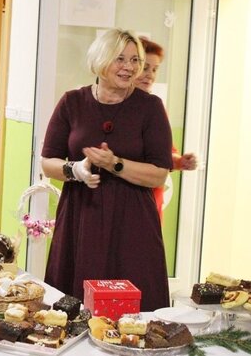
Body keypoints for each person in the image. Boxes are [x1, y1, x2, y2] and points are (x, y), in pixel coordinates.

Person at [41, 28, 173, 312]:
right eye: (120, 59)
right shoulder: (72, 102)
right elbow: (48, 162)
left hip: (133, 220)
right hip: (81, 215)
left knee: (134, 306)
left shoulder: (150, 108)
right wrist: (76, 170)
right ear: (100, 59)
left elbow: (159, 173)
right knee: (73, 306)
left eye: (135, 60)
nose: (129, 67)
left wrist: (115, 164)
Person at [135, 37, 197, 221]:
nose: (150, 75)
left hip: (148, 206)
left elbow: (165, 154)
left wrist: (180, 161)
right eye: (145, 67)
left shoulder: (156, 108)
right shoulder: (109, 105)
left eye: (155, 69)